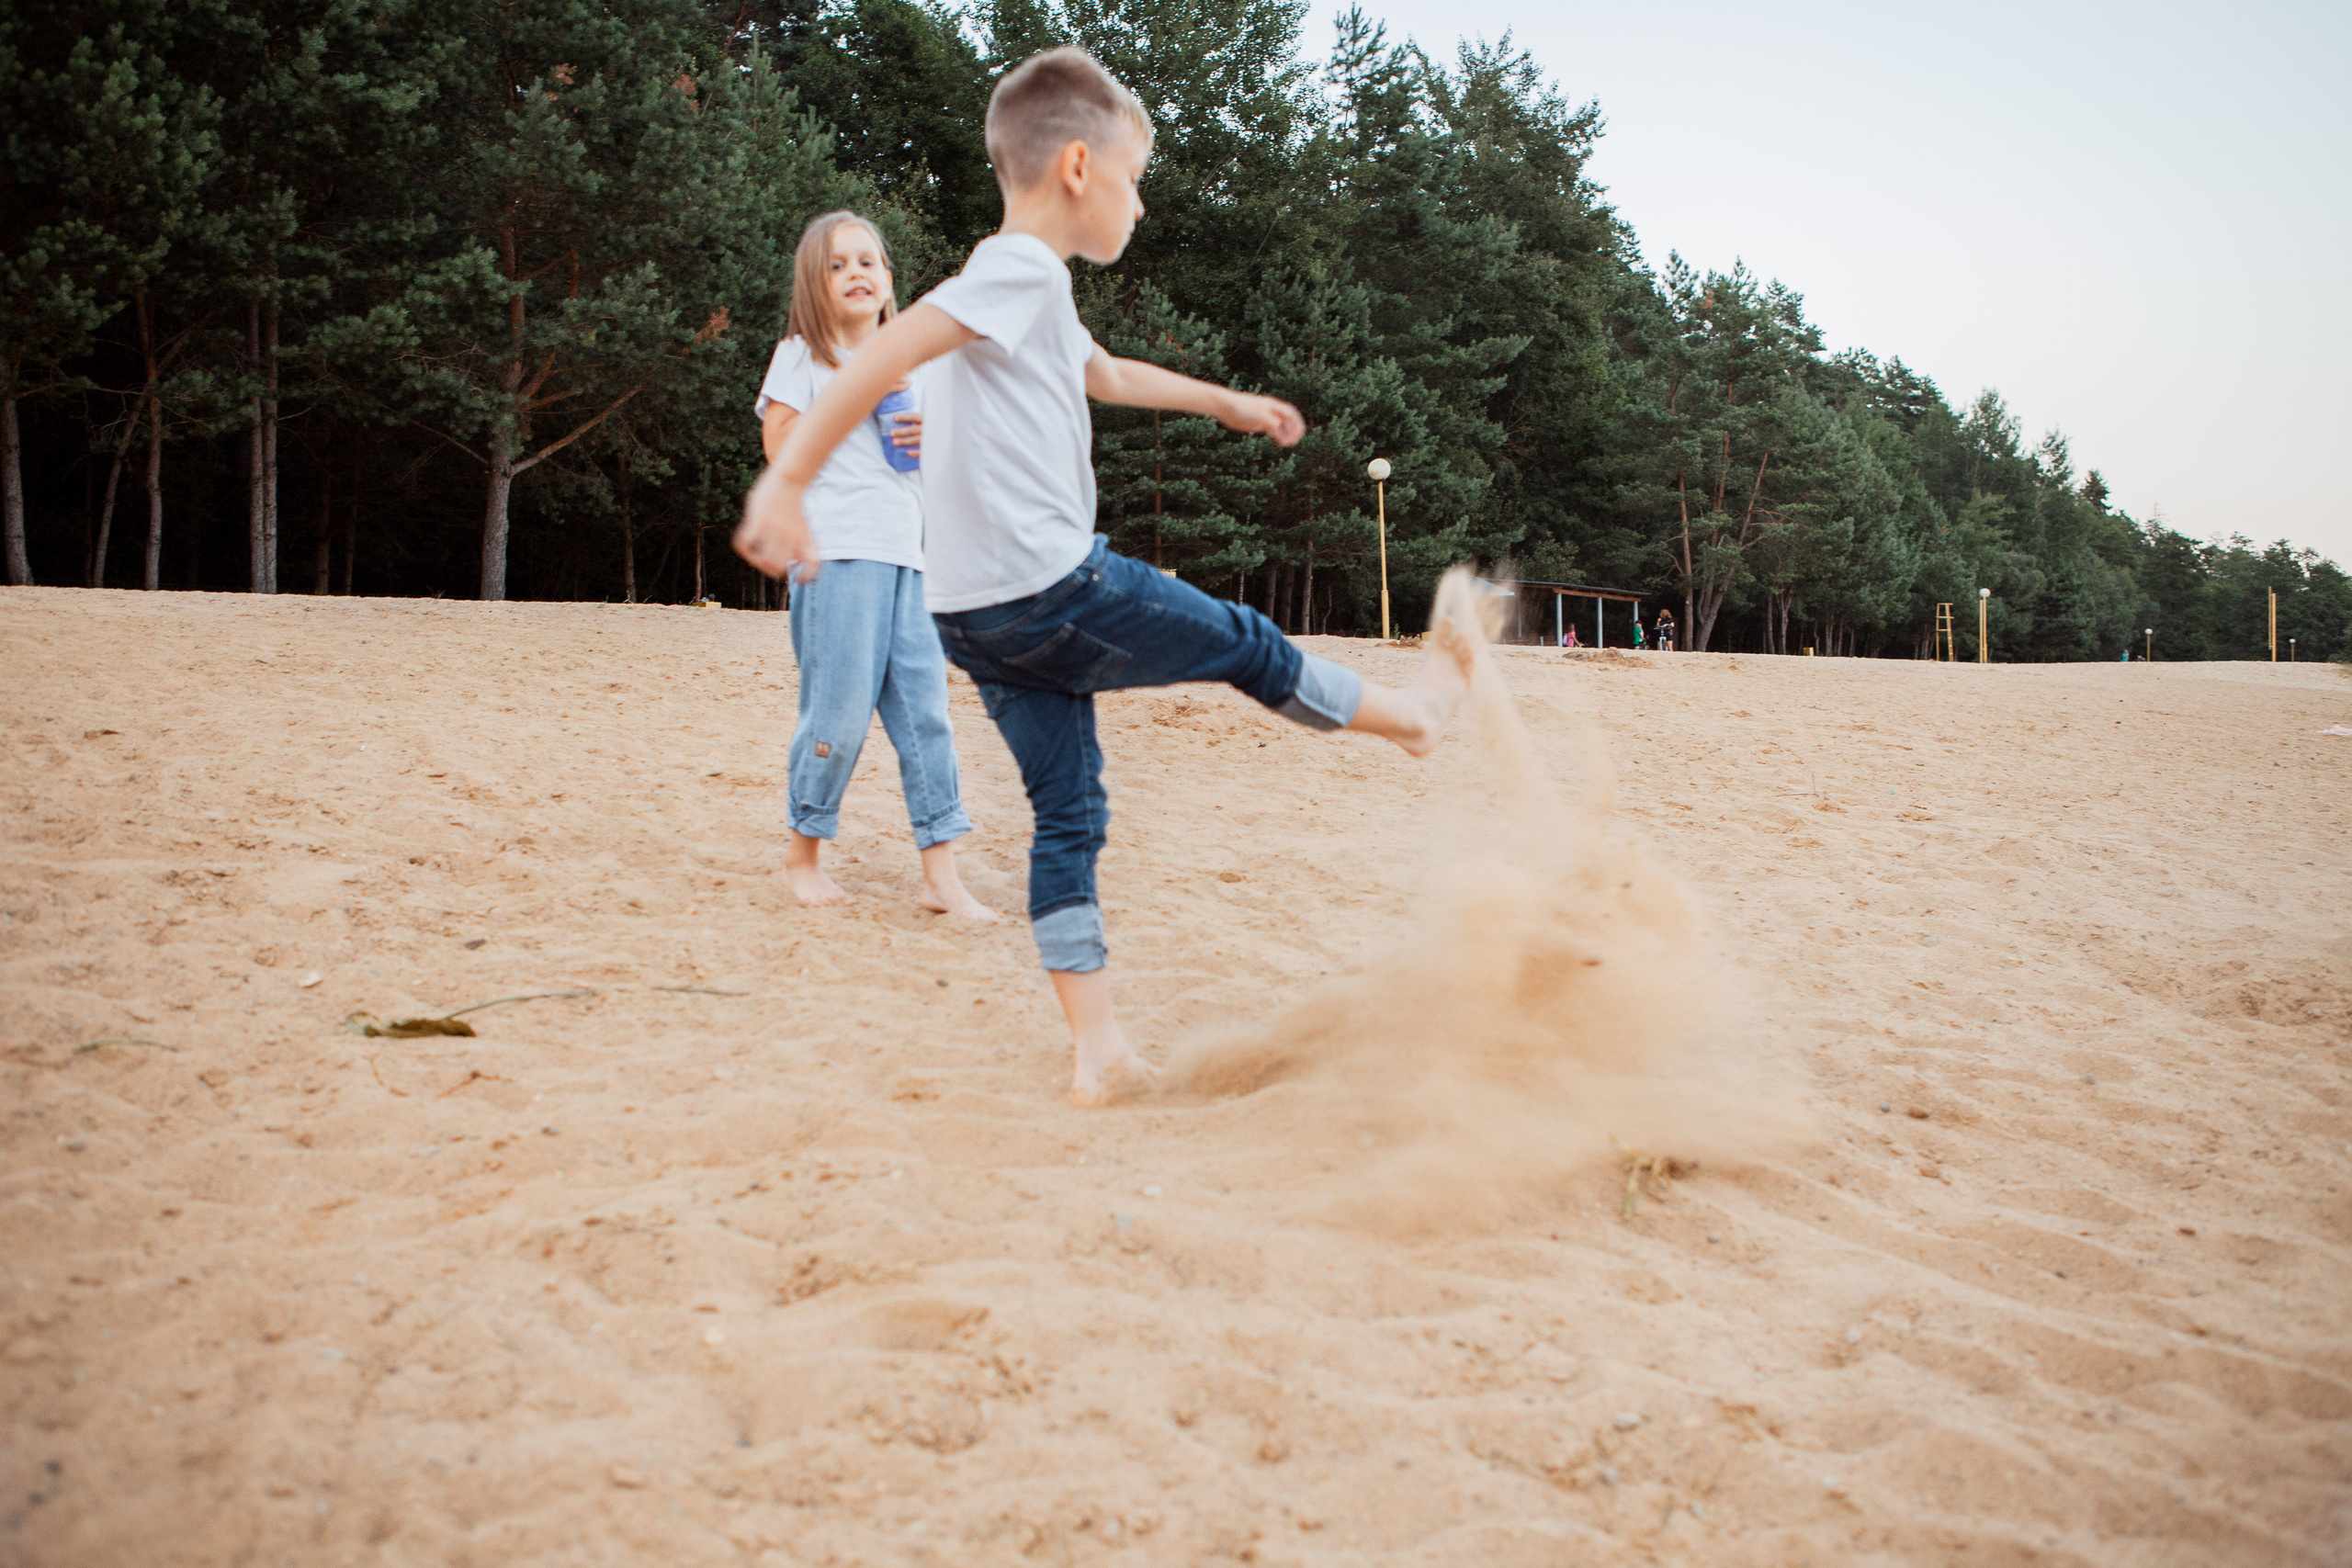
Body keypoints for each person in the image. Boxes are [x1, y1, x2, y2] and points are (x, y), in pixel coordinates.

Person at [735, 47, 1476, 1106]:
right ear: (1078, 167)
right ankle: (1410, 718)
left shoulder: (1031, 296)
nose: (1138, 204)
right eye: (1135, 180)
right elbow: (877, 360)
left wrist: (1225, 401)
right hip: (1053, 589)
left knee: (1069, 818)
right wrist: (787, 486)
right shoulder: (1017, 268)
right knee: (1246, 642)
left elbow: (1106, 374)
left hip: (971, 618)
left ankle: (1101, 1055)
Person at [756, 209, 993, 920]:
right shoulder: (802, 355)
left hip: (911, 559)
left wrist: (940, 435)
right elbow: (781, 447)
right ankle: (802, 855)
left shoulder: (915, 366)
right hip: (835, 554)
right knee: (839, 712)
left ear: (889, 280)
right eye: (837, 264)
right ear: (812, 285)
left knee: (927, 716)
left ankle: (941, 875)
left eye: (869, 261)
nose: (857, 272)